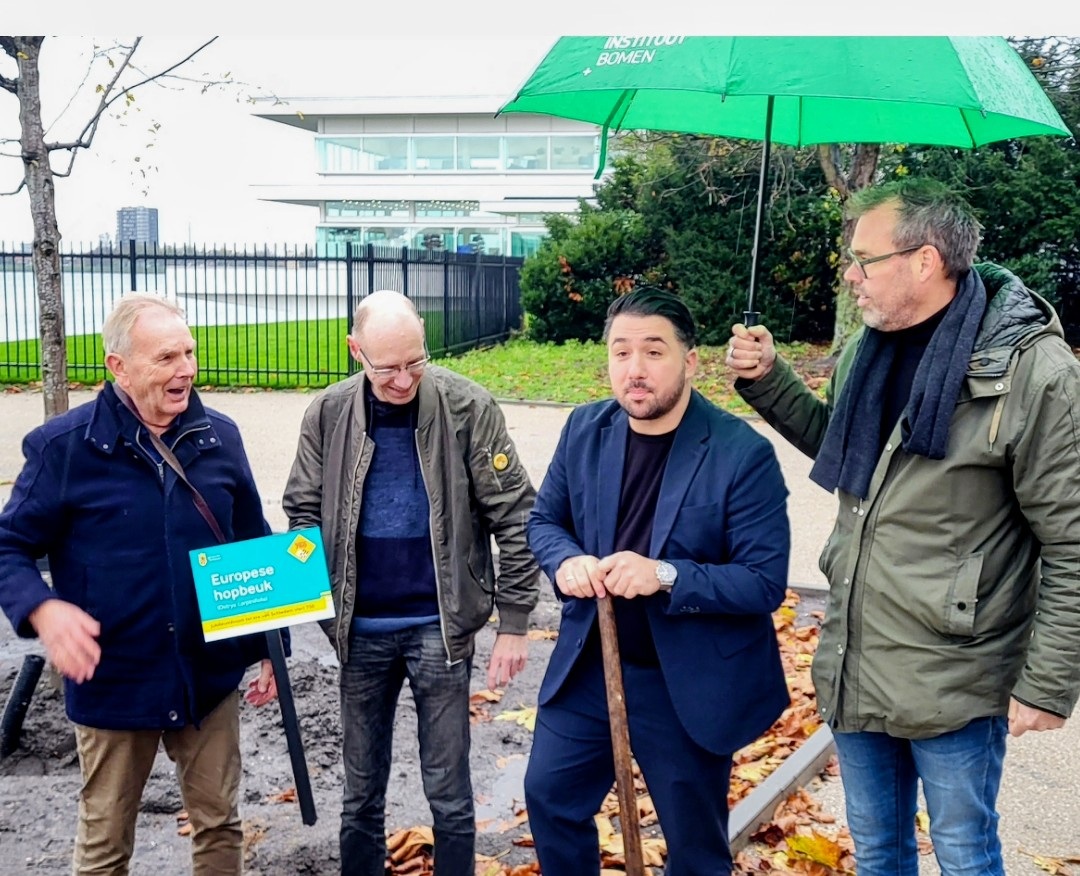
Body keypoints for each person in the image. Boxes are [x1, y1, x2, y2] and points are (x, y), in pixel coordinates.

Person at [726, 177, 1080, 876]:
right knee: (880, 852)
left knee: (964, 852)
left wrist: (1046, 683)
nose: (850, 277)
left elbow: (1070, 537)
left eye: (865, 259)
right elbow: (848, 448)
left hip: (957, 666)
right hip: (860, 651)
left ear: (925, 261)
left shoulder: (1032, 371)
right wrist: (769, 379)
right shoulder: (870, 346)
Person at [0, 292, 279, 875]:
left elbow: (253, 543)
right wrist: (45, 610)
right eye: (165, 358)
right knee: (105, 843)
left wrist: (270, 646)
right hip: (114, 680)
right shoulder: (63, 449)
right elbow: (10, 545)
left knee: (221, 823)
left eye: (189, 352)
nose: (185, 370)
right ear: (118, 367)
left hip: (207, 676)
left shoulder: (219, 437)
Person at [524, 286, 792, 875]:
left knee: (694, 846)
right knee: (549, 797)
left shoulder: (741, 453)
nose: (634, 371)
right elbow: (545, 521)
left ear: (690, 361)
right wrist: (566, 559)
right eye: (621, 353)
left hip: (686, 682)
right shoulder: (585, 429)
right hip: (593, 665)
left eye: (653, 351)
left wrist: (665, 575)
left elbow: (763, 582)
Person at [282, 289, 540, 876]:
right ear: (355, 351)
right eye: (387, 368)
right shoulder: (327, 413)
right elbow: (301, 511)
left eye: (415, 361)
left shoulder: (468, 407)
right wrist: (308, 598)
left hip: (439, 629)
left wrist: (514, 622)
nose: (403, 379)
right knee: (359, 793)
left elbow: (516, 517)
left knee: (449, 792)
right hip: (359, 631)